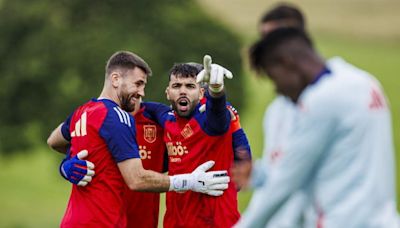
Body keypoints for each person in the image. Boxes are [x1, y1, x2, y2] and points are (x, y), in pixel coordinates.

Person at [235, 28, 399, 227]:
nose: (278, 90)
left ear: (286, 63)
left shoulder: (322, 100)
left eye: (273, 78)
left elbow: (286, 181)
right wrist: (260, 174)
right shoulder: (365, 82)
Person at [46, 51, 230, 227]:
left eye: (144, 86)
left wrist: (218, 96)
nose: (142, 92)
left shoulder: (156, 118)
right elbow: (55, 141)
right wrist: (67, 164)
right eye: (138, 84)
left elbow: (210, 123)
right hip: (105, 221)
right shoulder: (106, 115)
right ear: (116, 79)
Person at [144, 59, 250, 227]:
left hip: (216, 222)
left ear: (201, 93)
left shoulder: (208, 119)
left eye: (190, 86)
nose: (182, 91)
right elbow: (138, 105)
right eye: (177, 86)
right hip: (175, 221)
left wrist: (216, 90)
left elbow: (218, 113)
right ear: (168, 92)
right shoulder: (167, 118)